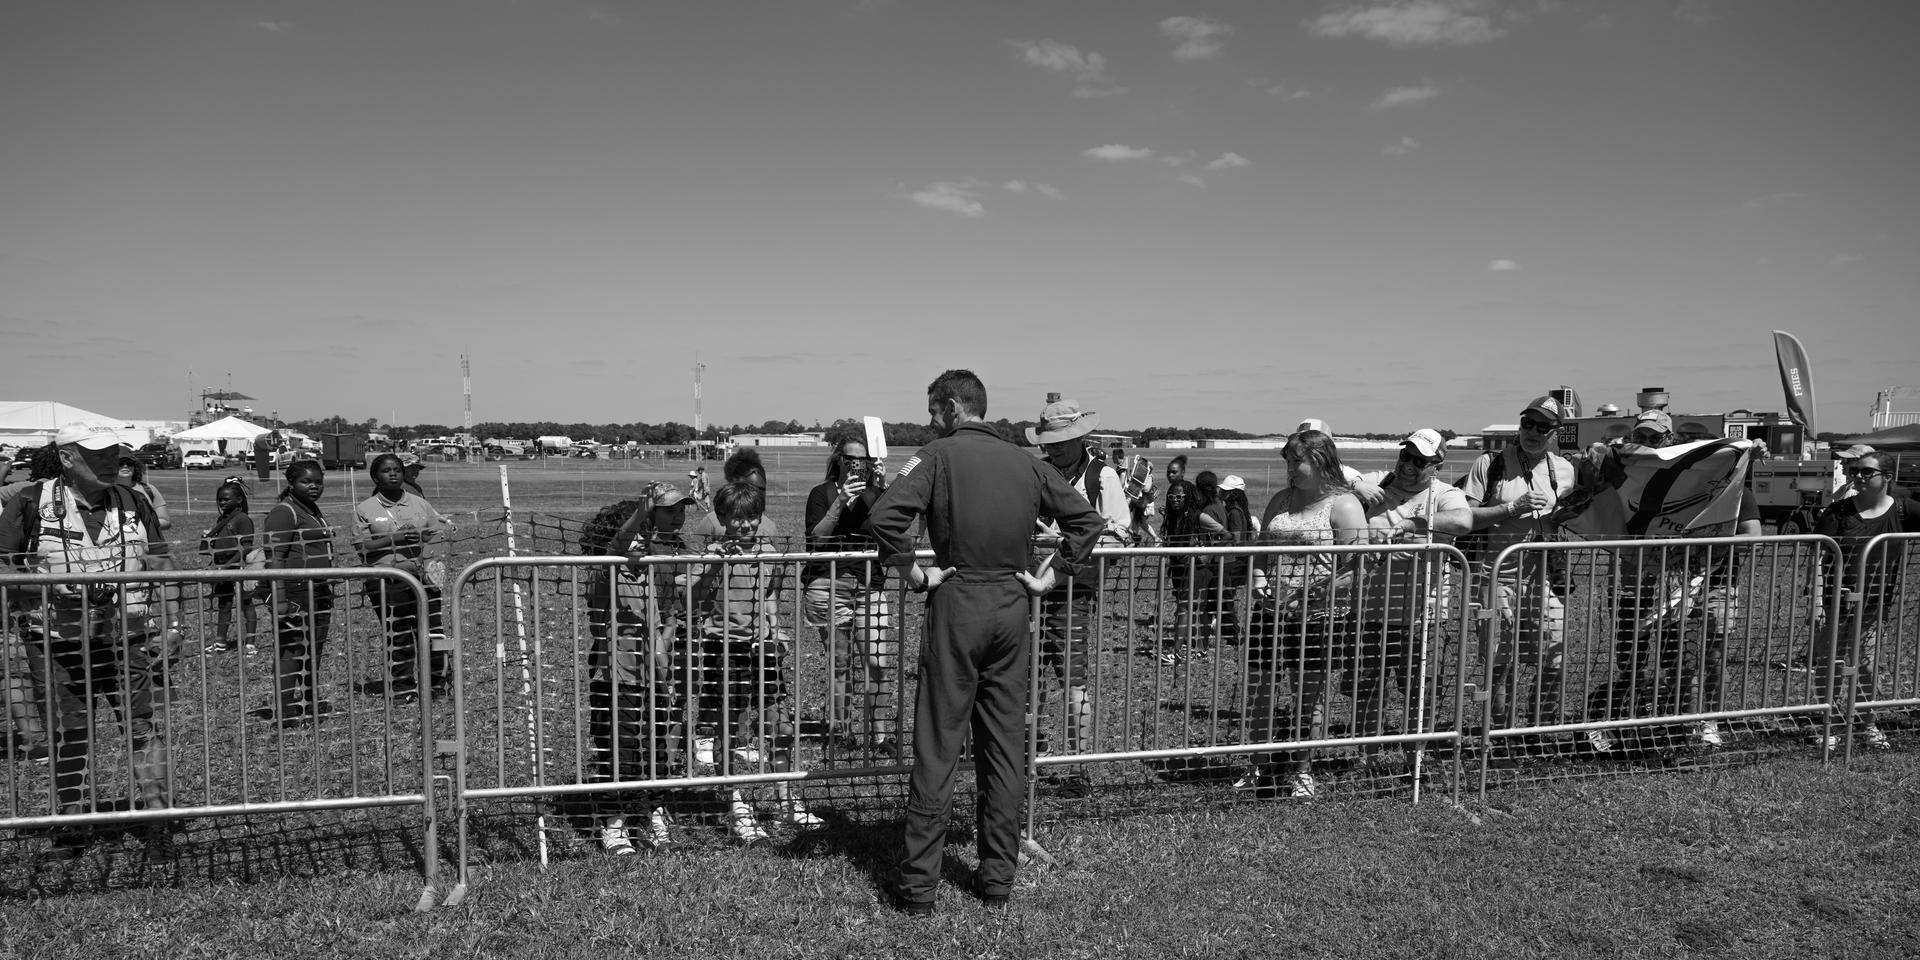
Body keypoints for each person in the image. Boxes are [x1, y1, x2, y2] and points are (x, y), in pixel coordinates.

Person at [866, 369, 1103, 915]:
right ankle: (997, 877)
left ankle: (920, 886)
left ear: (952, 407)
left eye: (932, 412)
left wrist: (911, 572)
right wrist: (1053, 575)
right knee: (1004, 746)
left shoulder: (938, 455)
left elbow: (885, 514)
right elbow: (1086, 523)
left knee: (938, 744)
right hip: (1013, 606)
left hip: (957, 602)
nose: (931, 421)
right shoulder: (1027, 463)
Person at [0, 423, 175, 857]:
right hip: (57, 640)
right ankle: (72, 823)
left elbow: (162, 562)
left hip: (128, 636)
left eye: (114, 452)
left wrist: (174, 625)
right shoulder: (27, 503)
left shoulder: (134, 500)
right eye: (97, 454)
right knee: (70, 733)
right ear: (66, 458)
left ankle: (158, 821)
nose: (110, 461)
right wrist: (48, 588)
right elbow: (4, 573)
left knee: (142, 727)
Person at [1587, 411, 1763, 753]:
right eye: (1643, 437)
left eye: (1656, 439)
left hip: (1690, 585)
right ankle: (1625, 719)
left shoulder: (1713, 481)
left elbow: (1752, 534)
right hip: (1640, 583)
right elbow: (1593, 462)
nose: (1649, 444)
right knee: (1631, 658)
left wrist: (1749, 449)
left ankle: (1683, 722)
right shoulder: (1627, 471)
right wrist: (1598, 452)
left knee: (1682, 659)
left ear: (1669, 442)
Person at [689, 480, 821, 843]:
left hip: (762, 649)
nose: (745, 525)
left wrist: (776, 632)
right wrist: (715, 563)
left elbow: (770, 596)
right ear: (723, 518)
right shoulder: (711, 553)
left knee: (780, 727)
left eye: (752, 517)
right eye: (737, 518)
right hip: (724, 648)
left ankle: (785, 803)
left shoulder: (769, 551)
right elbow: (690, 592)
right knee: (728, 730)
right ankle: (737, 808)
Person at [1243, 430, 1367, 798]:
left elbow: (1357, 567)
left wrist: (1313, 595)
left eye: (1297, 461)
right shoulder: (1281, 500)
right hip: (1269, 613)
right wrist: (1259, 580)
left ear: (1320, 460)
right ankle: (1256, 765)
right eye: (1288, 461)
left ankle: (1302, 771)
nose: (1290, 469)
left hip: (1319, 618)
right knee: (1259, 691)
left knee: (1308, 696)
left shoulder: (1344, 505)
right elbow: (1261, 551)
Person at [581, 481, 693, 855]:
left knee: (656, 750)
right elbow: (618, 544)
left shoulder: (646, 576)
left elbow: (659, 629)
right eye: (636, 535)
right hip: (615, 680)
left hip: (649, 682)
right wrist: (640, 514)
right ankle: (613, 824)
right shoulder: (604, 571)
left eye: (646, 534)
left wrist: (665, 680)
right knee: (619, 751)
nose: (642, 541)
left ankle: (651, 814)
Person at [1025, 394, 1130, 785]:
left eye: (1059, 441)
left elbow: (1120, 536)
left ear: (1079, 438)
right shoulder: (1037, 472)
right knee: (1026, 676)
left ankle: (1078, 769)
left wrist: (1066, 541)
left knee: (1073, 679)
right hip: (1027, 586)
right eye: (1047, 442)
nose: (1052, 448)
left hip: (1073, 591)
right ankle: (1032, 756)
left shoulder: (1101, 476)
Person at [1459, 396, 1577, 732]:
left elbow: (1564, 518)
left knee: (1555, 654)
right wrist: (1514, 508)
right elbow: (1466, 518)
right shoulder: (1490, 463)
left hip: (1544, 577)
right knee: (1499, 662)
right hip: (1497, 575)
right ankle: (1499, 734)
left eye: (1544, 427)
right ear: (1520, 424)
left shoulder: (1566, 469)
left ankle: (1539, 728)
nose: (1534, 432)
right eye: (1528, 423)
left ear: (1555, 432)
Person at [1352, 430, 1472, 756]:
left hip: (1424, 617)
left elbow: (1463, 521)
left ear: (1436, 465)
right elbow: (1335, 473)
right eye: (1406, 455)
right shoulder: (1381, 480)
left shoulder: (1444, 494)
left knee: (1421, 690)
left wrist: (1414, 524)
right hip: (1369, 611)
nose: (1408, 465)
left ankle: (1415, 757)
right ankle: (1367, 756)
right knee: (1367, 690)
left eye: (1419, 461)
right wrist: (1355, 485)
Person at [1812, 451, 1920, 751]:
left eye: (1866, 472)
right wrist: (1817, 601)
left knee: (1868, 665)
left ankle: (1867, 724)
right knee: (1829, 664)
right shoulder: (1838, 512)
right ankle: (1827, 724)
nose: (1858, 476)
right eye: (1855, 470)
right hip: (1836, 601)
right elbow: (1817, 556)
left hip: (1875, 602)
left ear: (1887, 478)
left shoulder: (1904, 509)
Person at [803, 431, 897, 757]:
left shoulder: (877, 493)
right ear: (838, 460)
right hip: (831, 586)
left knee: (877, 662)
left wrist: (885, 491)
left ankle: (880, 736)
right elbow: (816, 540)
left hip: (870, 584)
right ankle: (840, 731)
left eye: (864, 459)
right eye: (851, 458)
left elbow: (892, 532)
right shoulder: (821, 493)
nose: (857, 464)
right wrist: (840, 501)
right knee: (840, 663)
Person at [354, 453, 454, 699]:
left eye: (397, 470)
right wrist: (393, 539)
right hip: (387, 580)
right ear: (375, 477)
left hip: (422, 577)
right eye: (387, 470)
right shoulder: (365, 509)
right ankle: (402, 688)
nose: (393, 474)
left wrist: (425, 533)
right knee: (398, 634)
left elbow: (436, 529)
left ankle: (438, 684)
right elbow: (362, 548)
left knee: (432, 632)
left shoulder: (418, 502)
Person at [258, 459, 337, 721]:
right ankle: (286, 710)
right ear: (291, 484)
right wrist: (280, 600)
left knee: (313, 648)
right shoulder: (284, 512)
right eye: (306, 481)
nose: (314, 486)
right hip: (295, 590)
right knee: (291, 650)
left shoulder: (311, 509)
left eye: (318, 481)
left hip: (318, 589)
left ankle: (308, 701)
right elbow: (275, 558)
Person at [1160, 477, 1229, 659]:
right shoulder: (1173, 517)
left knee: (1186, 607)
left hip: (1197, 570)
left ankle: (1175, 652)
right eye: (1172, 497)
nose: (1175, 500)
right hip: (1179, 568)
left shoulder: (1199, 516)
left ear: (1188, 497)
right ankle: (1201, 649)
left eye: (1179, 497)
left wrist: (1207, 554)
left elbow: (1227, 536)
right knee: (1192, 608)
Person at [199, 476, 260, 654]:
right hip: (221, 567)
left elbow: (246, 547)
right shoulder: (221, 519)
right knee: (224, 604)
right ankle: (220, 642)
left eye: (226, 499)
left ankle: (250, 643)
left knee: (246, 603)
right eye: (219, 499)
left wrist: (227, 566)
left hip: (238, 567)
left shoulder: (243, 519)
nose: (222, 502)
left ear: (239, 500)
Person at [115, 455, 172, 531]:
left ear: (135, 467)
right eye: (120, 463)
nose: (125, 466)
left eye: (129, 463)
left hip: (147, 541)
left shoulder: (149, 489)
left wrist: (139, 523)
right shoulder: (105, 491)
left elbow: (166, 521)